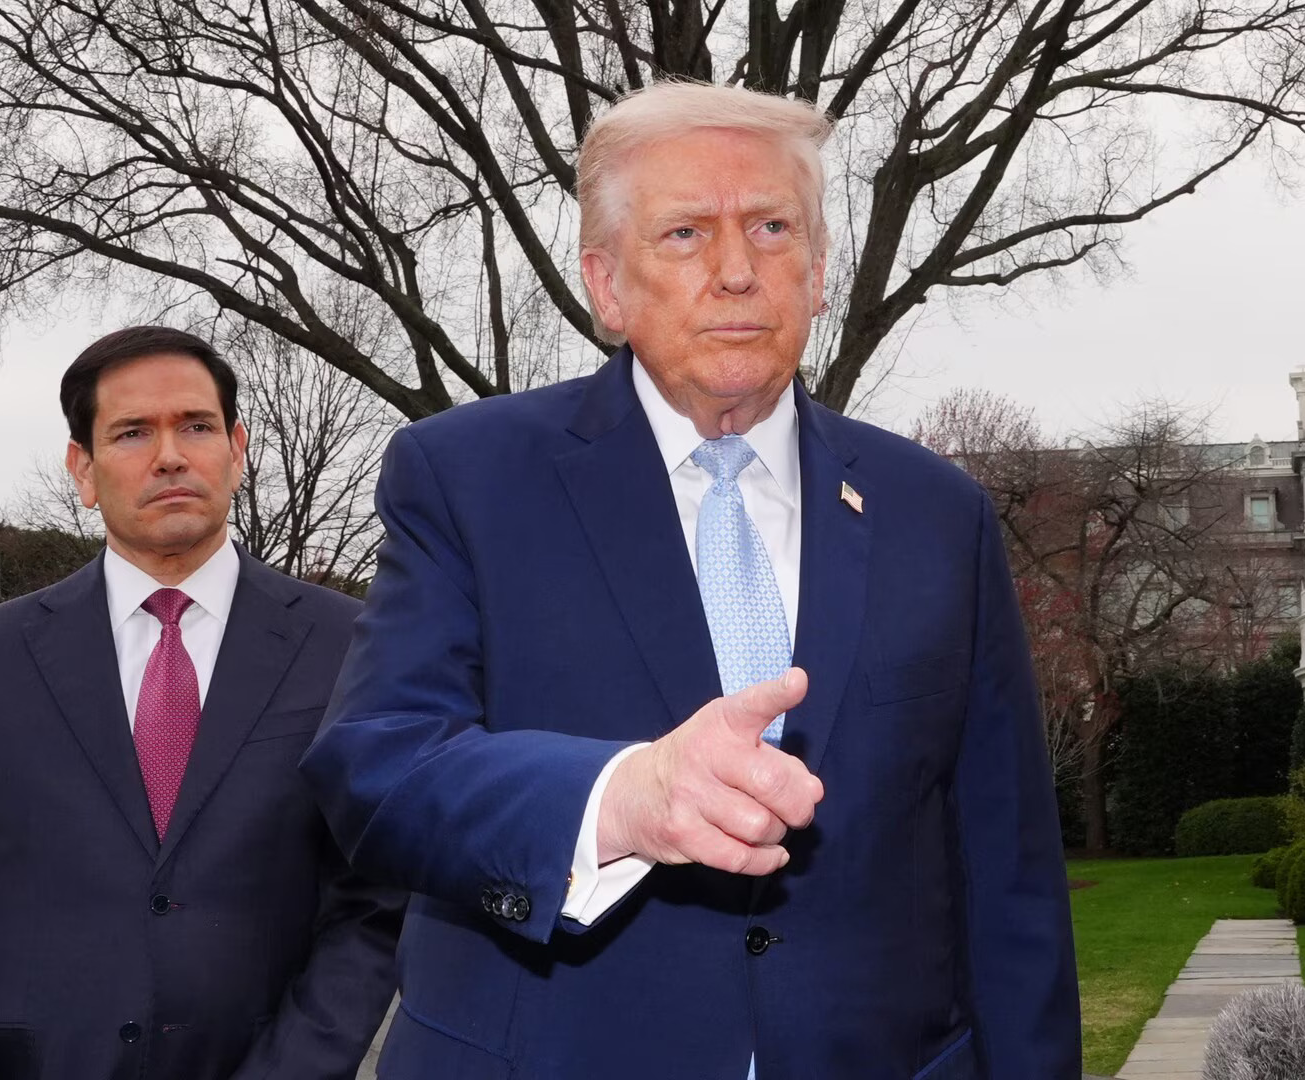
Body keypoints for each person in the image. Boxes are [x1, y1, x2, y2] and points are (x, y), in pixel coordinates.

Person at [302, 82, 1079, 1079]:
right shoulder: (464, 478)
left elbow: (1010, 872)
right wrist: (621, 798)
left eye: (771, 227)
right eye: (684, 233)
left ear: (819, 271)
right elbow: (379, 767)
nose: (737, 271)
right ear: (607, 286)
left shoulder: (938, 514)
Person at [0, 326, 403, 1080]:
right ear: (83, 469)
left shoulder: (350, 647)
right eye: (132, 432)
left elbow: (374, 906)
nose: (170, 455)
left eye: (196, 426)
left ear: (237, 450)